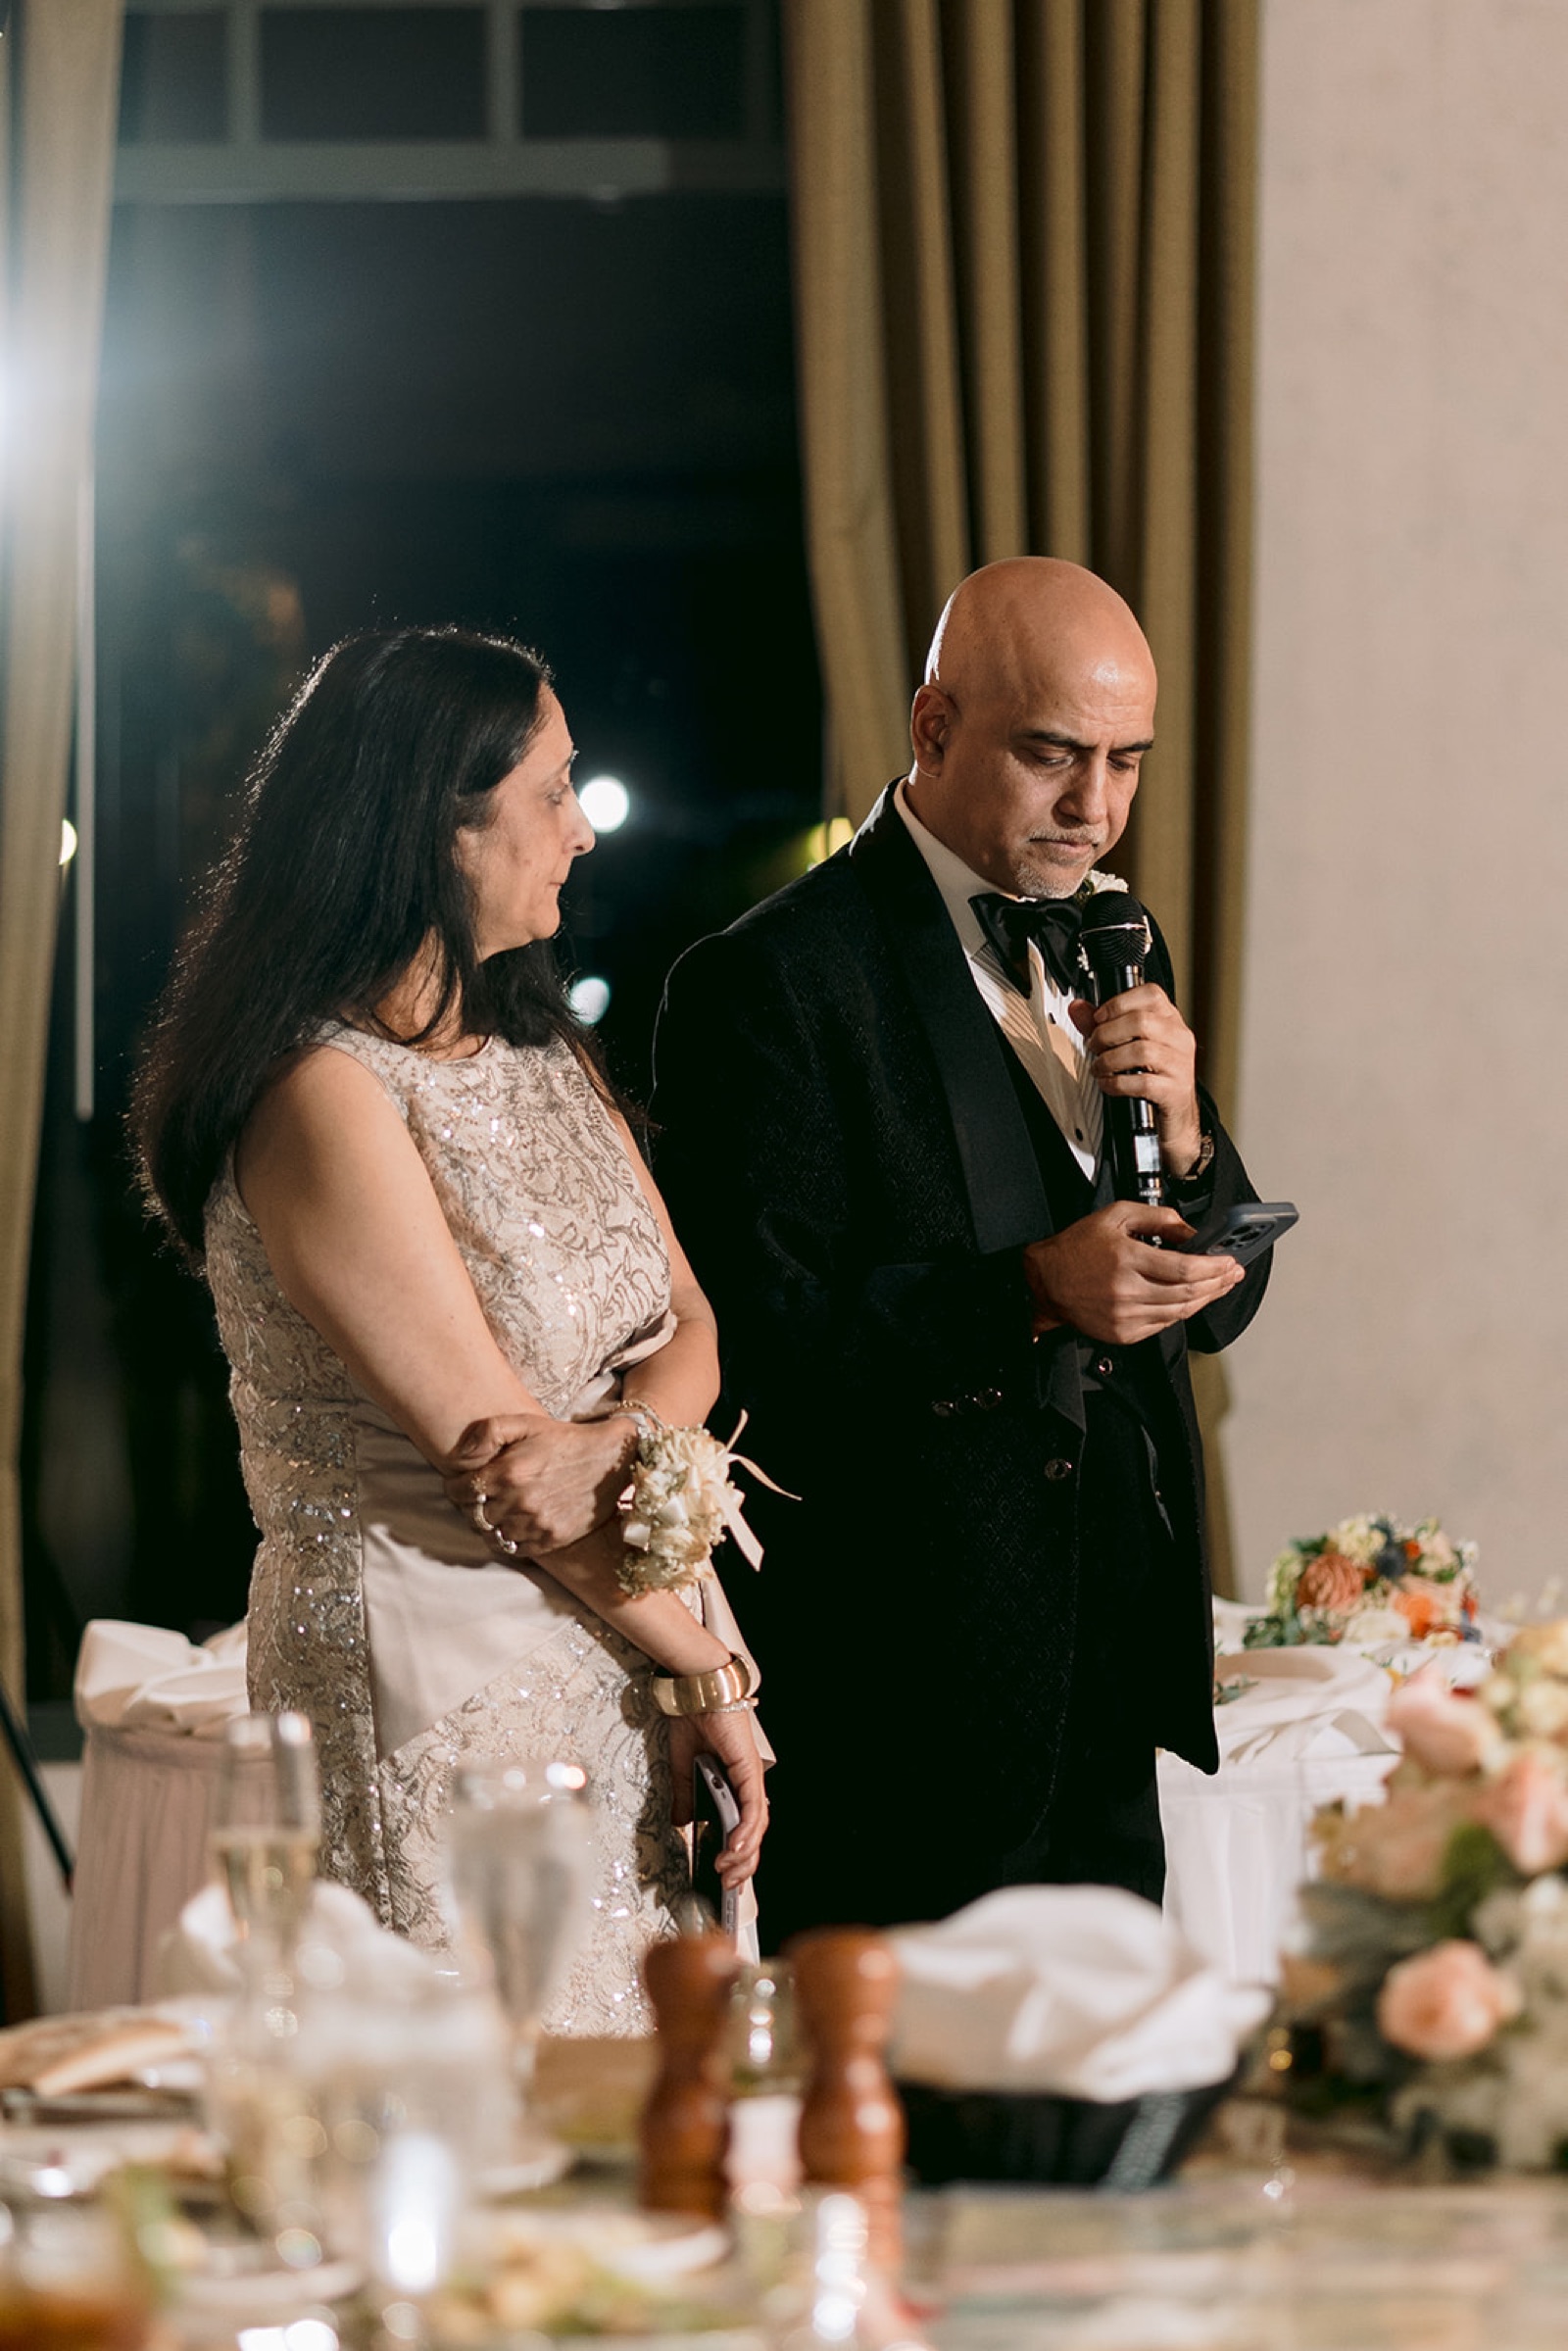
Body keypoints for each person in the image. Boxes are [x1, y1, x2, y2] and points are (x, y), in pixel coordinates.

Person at [134, 626, 766, 2031]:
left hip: (614, 1638)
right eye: (552, 791)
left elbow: (693, 1322)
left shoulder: (543, 1050)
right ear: (436, 824)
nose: (579, 833)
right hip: (429, 1669)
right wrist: (706, 1667)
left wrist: (618, 1445)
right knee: (476, 2075)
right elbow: (495, 1465)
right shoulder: (322, 1095)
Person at [652, 558, 1273, 1939]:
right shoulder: (771, 983)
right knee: (893, 2143)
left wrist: (1189, 1135)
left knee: (1106, 2133)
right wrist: (1033, 1295)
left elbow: (1216, 1299)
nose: (1096, 807)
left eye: (1126, 762)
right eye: (1053, 754)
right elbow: (753, 1352)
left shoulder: (1123, 935)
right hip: (901, 1699)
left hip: (1113, 1676)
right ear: (934, 726)